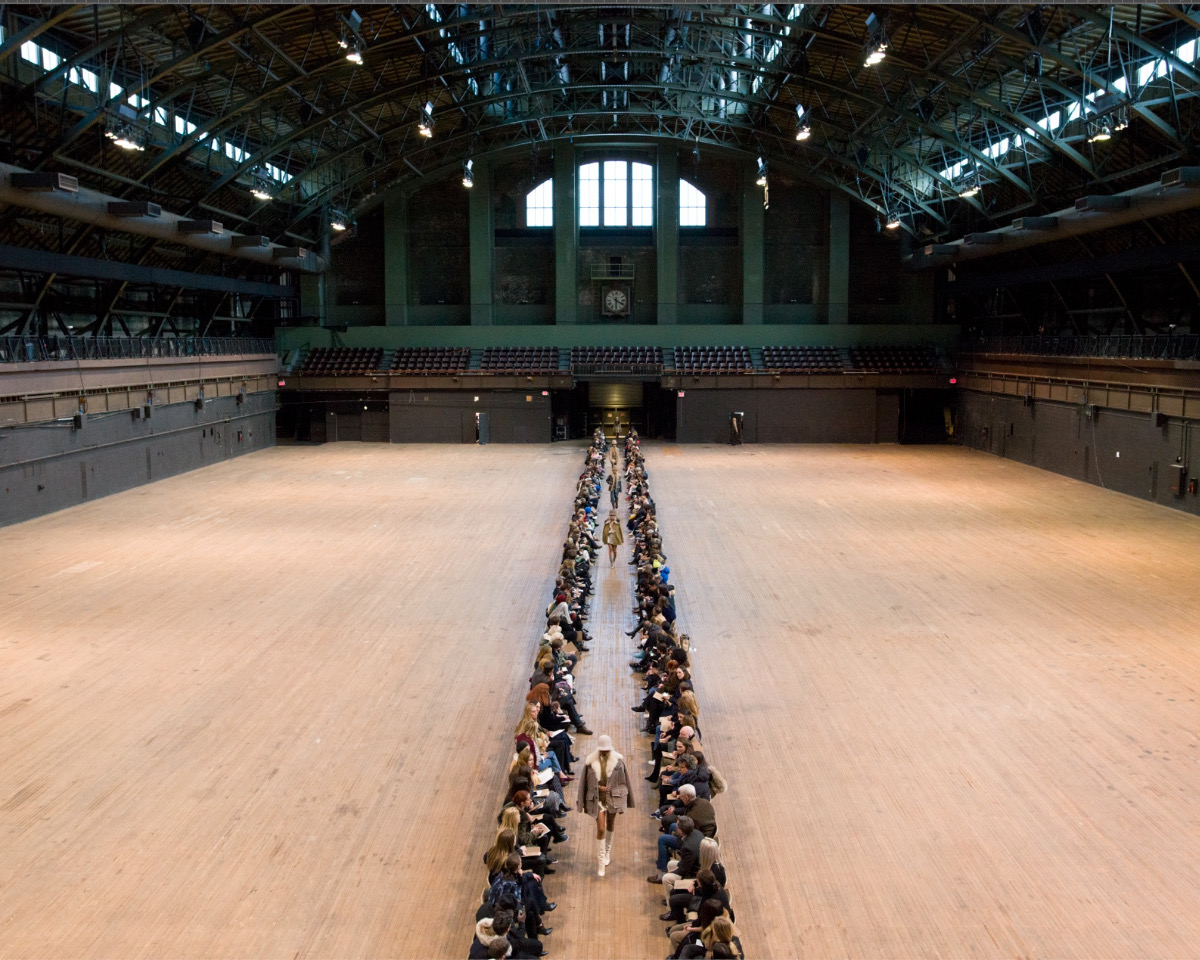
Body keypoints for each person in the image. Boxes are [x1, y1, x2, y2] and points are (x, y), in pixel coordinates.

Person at [577, 733, 634, 877]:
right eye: (602, 750)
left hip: (613, 799)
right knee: (601, 829)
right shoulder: (590, 762)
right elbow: (584, 784)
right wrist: (597, 788)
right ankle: (601, 862)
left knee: (610, 825)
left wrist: (625, 802)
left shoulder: (618, 762)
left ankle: (607, 852)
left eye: (606, 750)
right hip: (598, 800)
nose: (604, 752)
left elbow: (624, 782)